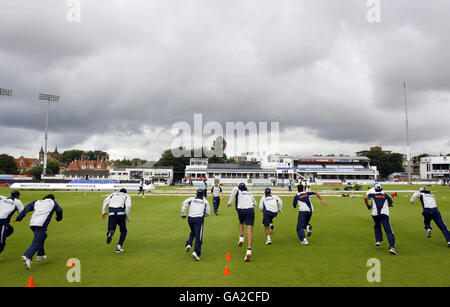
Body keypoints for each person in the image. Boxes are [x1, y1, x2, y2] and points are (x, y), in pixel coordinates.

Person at [15, 194, 63, 270]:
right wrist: (58, 218)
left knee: (42, 237)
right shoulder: (53, 202)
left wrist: (18, 218)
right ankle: (27, 256)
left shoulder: (37, 201)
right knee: (37, 241)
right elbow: (60, 210)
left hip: (32, 223)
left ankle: (40, 255)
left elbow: (26, 208)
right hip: (41, 224)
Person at [364, 183, 398, 255]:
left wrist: (368, 205)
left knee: (377, 225)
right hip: (384, 214)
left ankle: (378, 241)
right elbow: (392, 204)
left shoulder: (372, 194)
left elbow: (365, 197)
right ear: (381, 189)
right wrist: (387, 205)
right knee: (389, 230)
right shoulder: (385, 195)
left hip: (375, 214)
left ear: (375, 189)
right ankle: (392, 247)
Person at [227, 182, 257, 261]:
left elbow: (232, 196)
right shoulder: (249, 193)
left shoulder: (237, 190)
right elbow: (255, 203)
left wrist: (229, 203)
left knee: (241, 222)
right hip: (250, 210)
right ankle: (249, 250)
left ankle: (241, 238)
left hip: (241, 210)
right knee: (249, 229)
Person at [181, 189, 211, 261]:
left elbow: (184, 203)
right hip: (198, 219)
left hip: (190, 218)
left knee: (193, 231)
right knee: (199, 237)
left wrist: (183, 214)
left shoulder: (191, 199)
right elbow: (208, 213)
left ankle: (189, 244)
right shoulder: (205, 201)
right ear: (203, 194)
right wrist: (204, 214)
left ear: (196, 193)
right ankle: (196, 252)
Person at [102, 188, 131, 253]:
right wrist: (128, 217)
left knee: (111, 228)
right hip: (121, 213)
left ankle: (110, 233)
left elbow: (105, 201)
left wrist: (103, 212)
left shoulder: (113, 194)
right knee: (123, 231)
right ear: (125, 192)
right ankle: (119, 247)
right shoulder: (126, 195)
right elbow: (128, 206)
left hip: (111, 213)